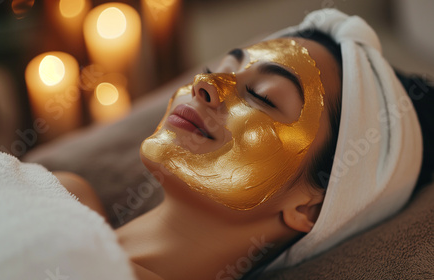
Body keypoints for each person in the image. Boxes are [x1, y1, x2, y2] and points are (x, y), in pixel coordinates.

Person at [57, 9, 433, 280]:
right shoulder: (63, 194)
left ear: (311, 208)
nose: (204, 84)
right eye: (221, 68)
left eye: (262, 96)